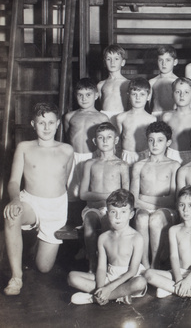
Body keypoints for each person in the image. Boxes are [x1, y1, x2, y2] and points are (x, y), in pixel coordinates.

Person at [3, 103, 74, 296]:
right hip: (30, 202)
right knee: (12, 216)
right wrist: (15, 200)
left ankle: (34, 244)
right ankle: (16, 277)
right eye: (41, 122)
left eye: (51, 122)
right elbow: (13, 181)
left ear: (58, 124)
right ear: (33, 124)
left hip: (55, 209)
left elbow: (66, 184)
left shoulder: (67, 150)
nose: (46, 127)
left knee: (43, 267)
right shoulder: (24, 147)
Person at [67, 189, 147, 305]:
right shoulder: (103, 238)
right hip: (109, 276)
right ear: (107, 213)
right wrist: (101, 288)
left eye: (123, 212)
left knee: (140, 282)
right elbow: (101, 268)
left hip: (129, 278)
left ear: (131, 214)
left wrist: (108, 289)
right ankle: (115, 295)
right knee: (72, 277)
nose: (118, 217)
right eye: (113, 212)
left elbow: (132, 271)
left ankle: (94, 298)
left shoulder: (137, 238)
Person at [145, 186, 191, 300]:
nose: (185, 209)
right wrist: (179, 280)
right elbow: (174, 256)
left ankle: (170, 289)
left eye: (190, 205)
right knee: (148, 274)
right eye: (182, 205)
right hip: (177, 272)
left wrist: (188, 280)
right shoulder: (174, 230)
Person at [79, 122, 130, 272]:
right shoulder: (89, 164)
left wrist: (108, 201)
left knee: (109, 221)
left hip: (114, 210)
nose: (105, 140)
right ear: (95, 141)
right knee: (89, 221)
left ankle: (109, 263)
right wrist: (110, 195)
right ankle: (93, 263)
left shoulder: (122, 165)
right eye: (101, 138)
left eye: (109, 137)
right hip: (92, 208)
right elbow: (82, 194)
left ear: (116, 140)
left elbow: (126, 195)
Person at [130, 122, 180, 269]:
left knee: (156, 219)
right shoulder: (139, 166)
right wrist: (156, 202)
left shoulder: (174, 166)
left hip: (166, 212)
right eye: (151, 140)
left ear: (168, 143)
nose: (155, 144)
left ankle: (155, 264)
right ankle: (144, 264)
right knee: (141, 218)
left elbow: (172, 200)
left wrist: (144, 198)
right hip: (144, 209)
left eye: (160, 140)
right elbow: (133, 199)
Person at [63, 78, 109, 200]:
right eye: (80, 95)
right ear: (75, 96)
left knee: (92, 190)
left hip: (93, 156)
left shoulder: (102, 117)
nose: (84, 98)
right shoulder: (70, 116)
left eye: (88, 94)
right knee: (72, 192)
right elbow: (68, 135)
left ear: (96, 95)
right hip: (74, 157)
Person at [161, 77, 191, 165]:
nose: (182, 95)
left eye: (186, 92)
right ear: (172, 95)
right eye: (178, 92)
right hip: (171, 155)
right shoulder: (167, 117)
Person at [115, 77, 156, 166]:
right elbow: (117, 142)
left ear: (148, 96)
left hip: (145, 155)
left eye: (142, 94)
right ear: (128, 95)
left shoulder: (152, 119)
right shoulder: (121, 118)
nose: (138, 98)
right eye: (134, 94)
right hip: (126, 156)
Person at [97, 44, 129, 123]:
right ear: (104, 62)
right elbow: (101, 104)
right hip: (105, 118)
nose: (112, 62)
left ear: (123, 62)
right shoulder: (101, 85)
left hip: (121, 117)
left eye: (116, 59)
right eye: (108, 59)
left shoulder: (127, 83)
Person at [149, 45, 178, 118]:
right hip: (156, 115)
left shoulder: (178, 81)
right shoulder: (152, 82)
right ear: (157, 61)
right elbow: (148, 104)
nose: (164, 64)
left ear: (175, 62)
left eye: (168, 60)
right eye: (160, 60)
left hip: (173, 115)